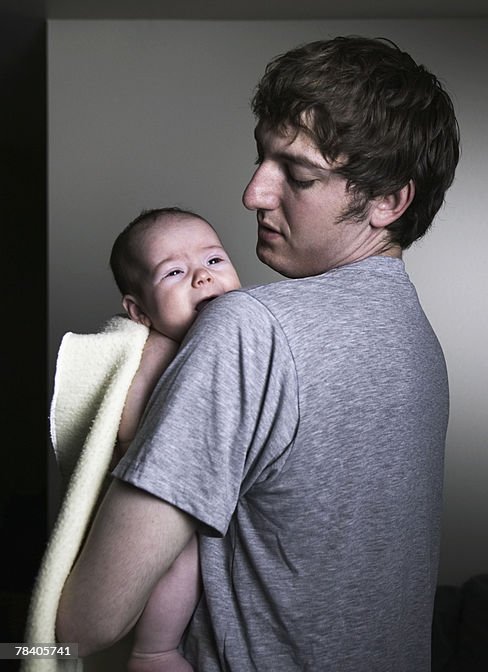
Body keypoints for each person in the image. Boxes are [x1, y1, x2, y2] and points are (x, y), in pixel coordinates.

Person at [57, 35, 460, 671]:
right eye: (262, 161)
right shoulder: (421, 349)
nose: (253, 193)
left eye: (297, 174)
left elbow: (84, 624)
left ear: (389, 201)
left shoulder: (250, 328)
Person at [110, 207, 243, 672]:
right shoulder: (156, 349)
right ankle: (154, 650)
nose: (202, 279)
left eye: (214, 261)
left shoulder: (243, 332)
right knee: (176, 558)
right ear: (140, 311)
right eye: (174, 272)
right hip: (164, 488)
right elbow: (131, 431)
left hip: (224, 496)